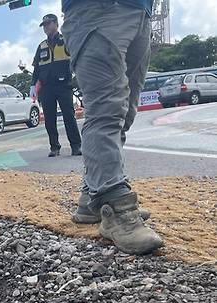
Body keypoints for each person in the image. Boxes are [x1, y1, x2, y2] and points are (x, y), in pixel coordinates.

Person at [62, 0, 163, 255]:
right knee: (106, 109)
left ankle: (90, 197)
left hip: (140, 11)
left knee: (125, 112)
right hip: (98, 11)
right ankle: (115, 208)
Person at [30, 14, 82, 158]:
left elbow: (77, 59)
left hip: (64, 85)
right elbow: (37, 68)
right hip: (46, 87)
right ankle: (54, 147)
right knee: (49, 119)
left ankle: (76, 146)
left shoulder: (65, 41)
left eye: (48, 24)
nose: (45, 27)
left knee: (69, 116)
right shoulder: (41, 46)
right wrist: (33, 85)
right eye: (44, 25)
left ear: (56, 24)